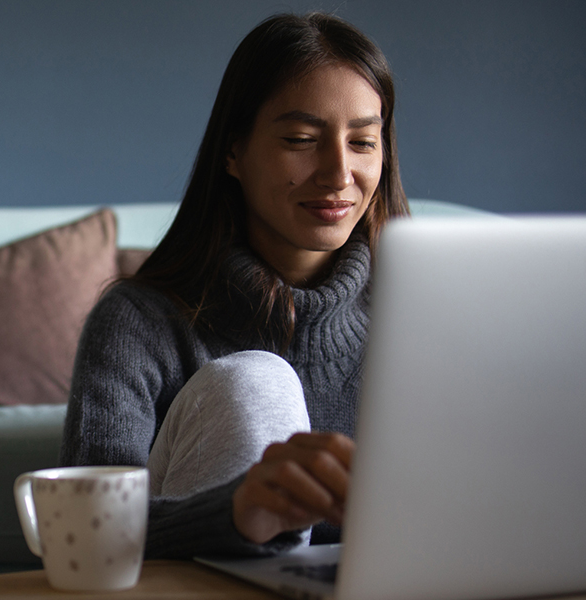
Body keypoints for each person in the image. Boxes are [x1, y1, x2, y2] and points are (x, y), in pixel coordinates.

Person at [59, 12, 409, 558]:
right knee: (257, 382)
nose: (339, 173)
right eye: (301, 139)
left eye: (363, 142)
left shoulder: (418, 314)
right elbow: (84, 532)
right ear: (233, 152)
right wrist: (238, 512)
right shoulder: (139, 321)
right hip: (196, 586)